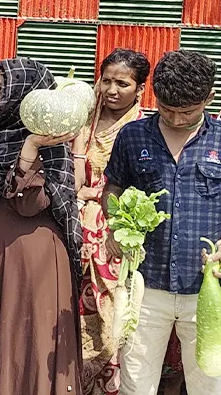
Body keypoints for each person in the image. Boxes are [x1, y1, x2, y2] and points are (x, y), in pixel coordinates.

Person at [0, 57, 83, 395]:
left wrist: (31, 148)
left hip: (28, 259)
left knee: (24, 340)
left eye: (1, 88)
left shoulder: (52, 146)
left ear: (27, 96)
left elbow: (29, 204)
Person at [105, 49, 221, 395]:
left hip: (209, 289)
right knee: (135, 384)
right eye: (166, 108)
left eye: (187, 111)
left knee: (209, 383)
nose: (174, 117)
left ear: (209, 98)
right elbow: (114, 186)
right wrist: (116, 223)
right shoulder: (132, 136)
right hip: (145, 286)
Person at [72, 49, 149, 395]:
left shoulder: (143, 128)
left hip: (113, 234)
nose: (112, 90)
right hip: (71, 224)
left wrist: (96, 194)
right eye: (107, 81)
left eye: (123, 83)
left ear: (140, 89)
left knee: (111, 316)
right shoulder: (81, 117)